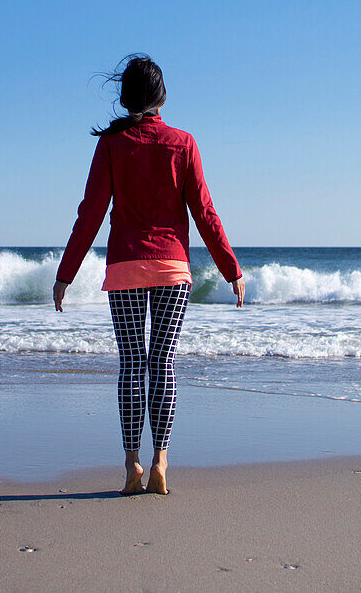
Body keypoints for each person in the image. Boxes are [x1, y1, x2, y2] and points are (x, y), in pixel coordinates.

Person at [53, 54, 244, 496]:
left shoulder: (111, 145)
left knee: (133, 365)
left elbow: (91, 215)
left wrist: (66, 274)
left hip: (124, 268)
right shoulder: (183, 142)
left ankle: (130, 465)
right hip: (173, 268)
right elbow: (205, 213)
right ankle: (161, 461)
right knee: (163, 362)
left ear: (125, 98)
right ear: (161, 97)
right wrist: (230, 269)